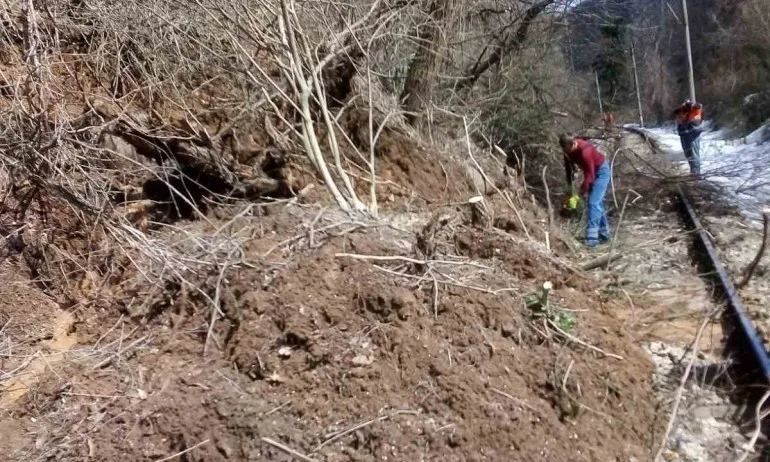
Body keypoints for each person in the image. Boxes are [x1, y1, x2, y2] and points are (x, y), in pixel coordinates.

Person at [559, 133, 611, 248]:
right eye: (565, 151)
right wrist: (569, 192)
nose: (568, 153)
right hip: (591, 172)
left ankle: (592, 241)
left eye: (569, 150)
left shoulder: (585, 151)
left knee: (593, 203)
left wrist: (577, 195)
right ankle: (604, 235)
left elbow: (590, 177)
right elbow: (569, 172)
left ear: (573, 144)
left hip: (601, 172)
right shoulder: (567, 151)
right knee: (597, 204)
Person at [673, 100, 704, 176]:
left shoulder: (695, 108)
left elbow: (699, 106)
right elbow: (675, 113)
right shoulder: (682, 110)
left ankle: (696, 174)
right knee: (688, 154)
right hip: (684, 133)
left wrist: (692, 105)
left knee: (694, 154)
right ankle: (693, 171)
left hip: (693, 132)